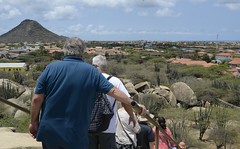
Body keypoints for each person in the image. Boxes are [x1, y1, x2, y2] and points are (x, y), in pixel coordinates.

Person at [28, 37, 147, 149]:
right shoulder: (91, 72)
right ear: (82, 52)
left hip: (50, 131)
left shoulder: (50, 68)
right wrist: (135, 105)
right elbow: (114, 91)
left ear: (64, 51)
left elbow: (36, 99)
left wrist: (33, 123)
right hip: (76, 133)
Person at [89, 54, 134, 149]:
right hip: (108, 126)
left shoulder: (86, 79)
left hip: (88, 125)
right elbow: (125, 100)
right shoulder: (115, 81)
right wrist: (131, 116)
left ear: (94, 66)